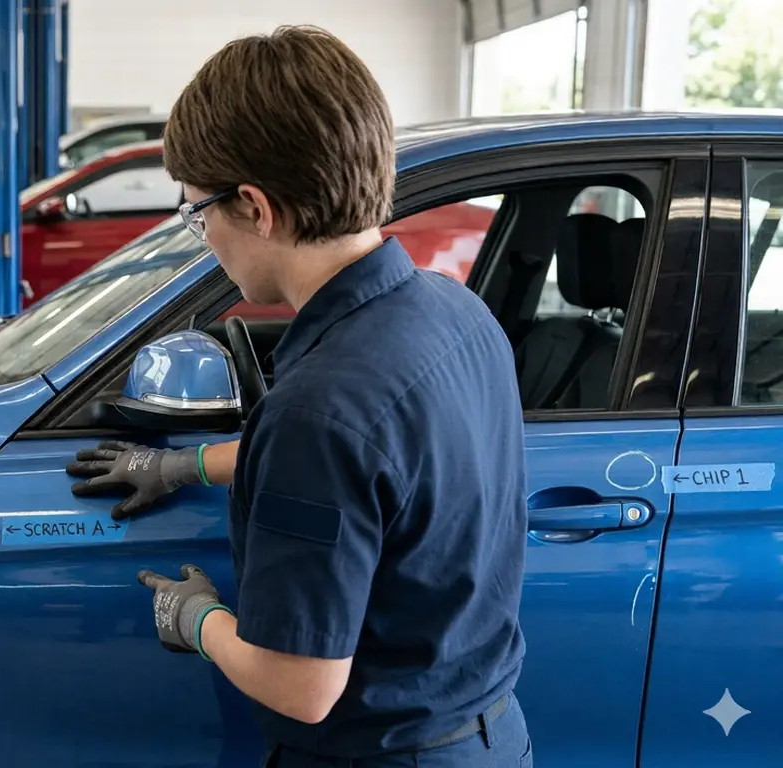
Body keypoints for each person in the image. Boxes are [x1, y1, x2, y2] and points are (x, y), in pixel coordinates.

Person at [65, 26, 531, 768]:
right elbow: (378, 468)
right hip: (493, 738)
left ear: (256, 207)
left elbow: (301, 685)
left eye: (198, 213)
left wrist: (198, 620)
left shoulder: (321, 407)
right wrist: (188, 467)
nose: (204, 235)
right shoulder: (456, 312)